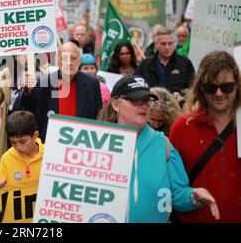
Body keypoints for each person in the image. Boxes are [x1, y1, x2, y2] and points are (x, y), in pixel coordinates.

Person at [97, 75, 220, 222]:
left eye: (147, 101)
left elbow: (176, 194)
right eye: (136, 100)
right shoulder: (96, 141)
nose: (143, 105)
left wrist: (195, 196)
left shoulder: (162, 144)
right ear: (116, 104)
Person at [169, 51, 241, 222]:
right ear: (201, 86)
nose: (218, 93)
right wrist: (193, 197)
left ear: (237, 85)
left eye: (226, 87)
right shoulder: (182, 127)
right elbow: (172, 189)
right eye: (211, 87)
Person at [20, 42, 103, 141]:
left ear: (79, 61)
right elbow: (30, 112)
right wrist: (29, 91)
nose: (69, 63)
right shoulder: (44, 82)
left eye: (73, 58)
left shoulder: (92, 83)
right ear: (57, 61)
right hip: (51, 141)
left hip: (82, 141)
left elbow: (99, 114)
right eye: (64, 58)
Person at [135, 26, 195, 105]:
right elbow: (136, 85)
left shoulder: (185, 63)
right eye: (163, 43)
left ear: (174, 43)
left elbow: (194, 89)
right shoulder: (146, 64)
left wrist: (182, 97)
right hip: (151, 109)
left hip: (177, 110)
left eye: (170, 43)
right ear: (156, 44)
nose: (167, 47)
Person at [0, 111, 44, 189]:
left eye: (22, 142)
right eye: (13, 142)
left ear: (35, 135)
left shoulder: (49, 155)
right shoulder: (6, 159)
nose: (18, 147)